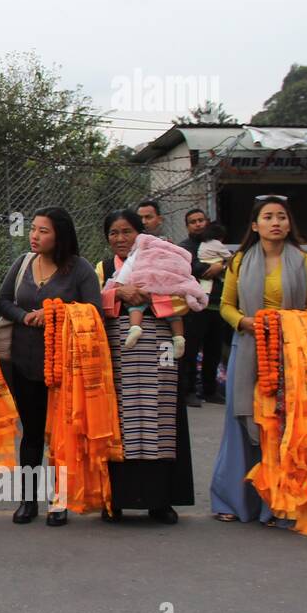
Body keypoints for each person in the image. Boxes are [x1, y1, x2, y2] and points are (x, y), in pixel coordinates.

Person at [209, 196, 307, 526]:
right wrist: (244, 322)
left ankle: (280, 504)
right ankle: (232, 500)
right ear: (254, 225)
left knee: (286, 428)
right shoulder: (240, 261)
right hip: (247, 349)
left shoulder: (305, 263)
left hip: (292, 354)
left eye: (282, 217)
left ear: (290, 224)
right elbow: (226, 305)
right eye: (268, 217)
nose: (276, 222)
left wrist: (288, 323)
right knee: (241, 427)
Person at [0, 206, 101, 526]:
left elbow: (93, 311)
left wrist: (56, 312)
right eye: (34, 229)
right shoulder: (23, 262)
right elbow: (2, 301)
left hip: (65, 367)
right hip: (24, 363)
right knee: (31, 434)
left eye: (43, 231)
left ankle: (60, 501)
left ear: (60, 236)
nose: (35, 236)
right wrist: (24, 316)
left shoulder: (80, 269)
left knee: (61, 436)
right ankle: (28, 501)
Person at [96, 209, 195, 523]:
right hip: (118, 345)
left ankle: (160, 499)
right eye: (114, 232)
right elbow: (89, 303)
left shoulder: (163, 259)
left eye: (127, 231)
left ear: (141, 234)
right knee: (121, 417)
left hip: (161, 344)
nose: (121, 238)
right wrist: (117, 292)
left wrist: (152, 295)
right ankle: (116, 499)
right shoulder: (102, 268)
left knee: (160, 416)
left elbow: (185, 295)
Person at [106, 232, 206, 356]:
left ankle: (135, 328)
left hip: (144, 289)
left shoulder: (141, 251)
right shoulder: (175, 255)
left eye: (127, 232)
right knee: (175, 316)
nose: (121, 239)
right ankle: (179, 338)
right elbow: (185, 276)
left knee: (135, 308)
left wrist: (119, 284)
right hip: (168, 295)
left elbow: (128, 267)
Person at [179, 210, 230, 406]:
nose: (198, 224)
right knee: (191, 350)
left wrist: (222, 267)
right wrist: (216, 267)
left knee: (214, 350)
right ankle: (189, 390)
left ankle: (210, 390)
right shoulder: (185, 247)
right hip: (194, 307)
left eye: (201, 220)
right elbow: (195, 269)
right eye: (193, 222)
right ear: (187, 226)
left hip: (217, 305)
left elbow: (231, 262)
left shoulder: (215, 244)